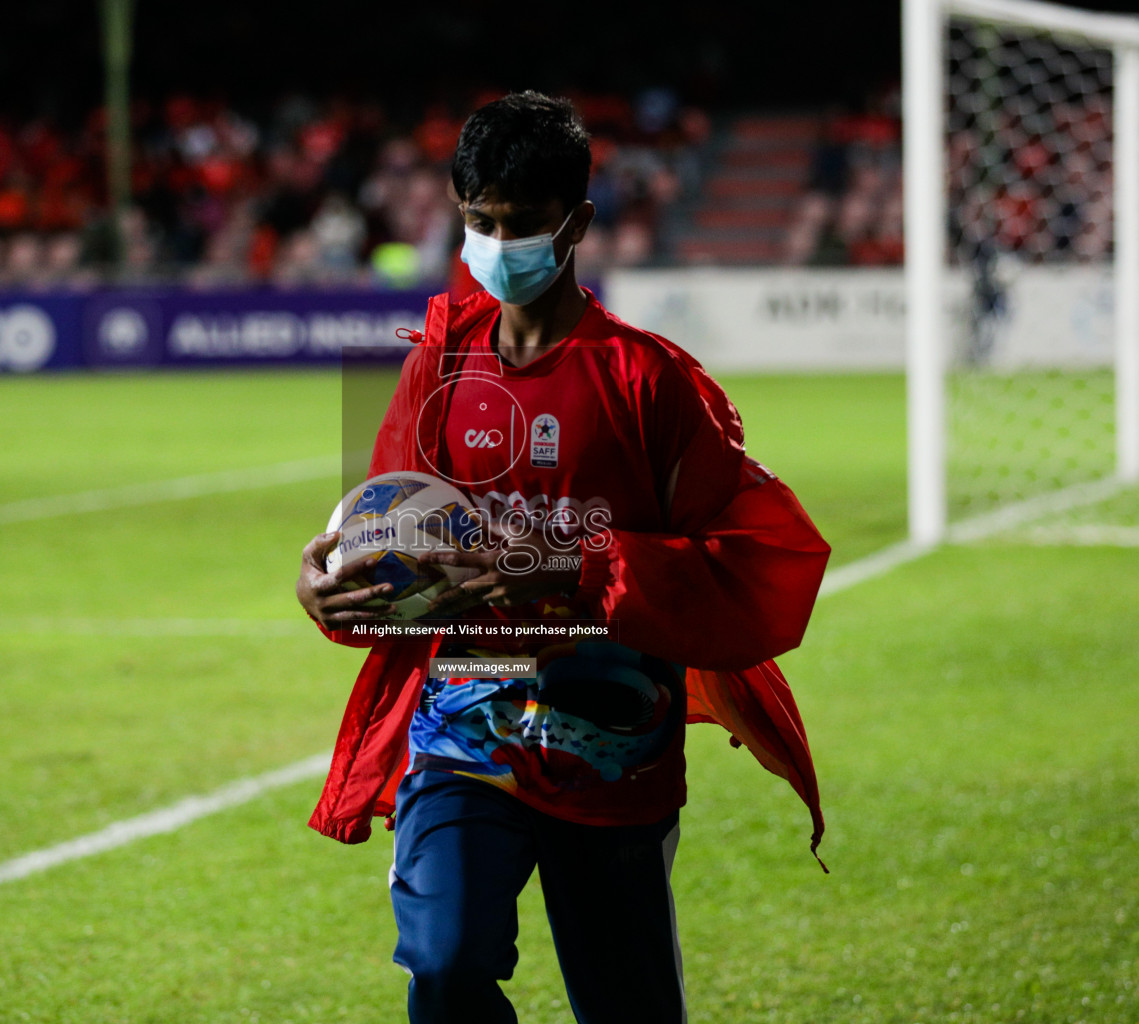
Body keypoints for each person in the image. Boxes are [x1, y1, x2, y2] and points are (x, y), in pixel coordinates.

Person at [295, 91, 831, 1024]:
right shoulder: (438, 364)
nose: (497, 244)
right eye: (479, 221)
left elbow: (757, 561)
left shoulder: (650, 380)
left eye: (522, 224)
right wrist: (329, 585)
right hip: (464, 723)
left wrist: (581, 566)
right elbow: (391, 543)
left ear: (577, 222)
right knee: (445, 961)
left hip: (611, 736)